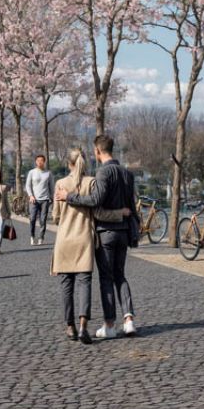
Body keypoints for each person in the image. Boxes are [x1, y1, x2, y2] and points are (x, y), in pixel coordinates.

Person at [61, 135, 138, 339]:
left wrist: (69, 197)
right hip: (124, 231)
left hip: (106, 232)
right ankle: (129, 320)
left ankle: (110, 324)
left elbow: (95, 201)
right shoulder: (127, 173)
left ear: (97, 151)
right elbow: (131, 204)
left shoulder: (103, 172)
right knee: (120, 275)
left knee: (106, 278)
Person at [52, 153, 97, 344]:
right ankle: (83, 326)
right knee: (84, 283)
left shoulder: (61, 183)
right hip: (84, 236)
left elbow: (55, 215)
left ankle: (70, 326)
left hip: (64, 238)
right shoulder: (91, 182)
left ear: (68, 163)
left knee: (66, 285)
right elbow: (96, 207)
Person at [24, 154, 53, 245]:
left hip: (45, 199)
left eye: (42, 160)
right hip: (34, 200)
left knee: (43, 219)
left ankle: (41, 237)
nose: (40, 162)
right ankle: (32, 236)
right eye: (38, 160)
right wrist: (31, 196)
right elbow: (28, 185)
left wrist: (52, 197)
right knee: (32, 219)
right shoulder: (32, 172)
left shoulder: (48, 173)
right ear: (36, 162)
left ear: (44, 162)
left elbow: (51, 186)